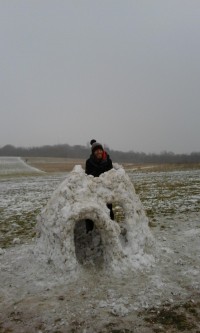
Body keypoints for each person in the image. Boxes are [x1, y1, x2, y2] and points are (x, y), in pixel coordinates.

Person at [85, 139, 114, 233]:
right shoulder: (89, 162)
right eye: (96, 150)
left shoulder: (108, 161)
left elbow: (111, 175)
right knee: (90, 210)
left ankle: (111, 230)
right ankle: (90, 232)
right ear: (93, 152)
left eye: (100, 150)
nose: (99, 152)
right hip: (94, 190)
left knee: (108, 210)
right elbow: (88, 176)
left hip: (106, 190)